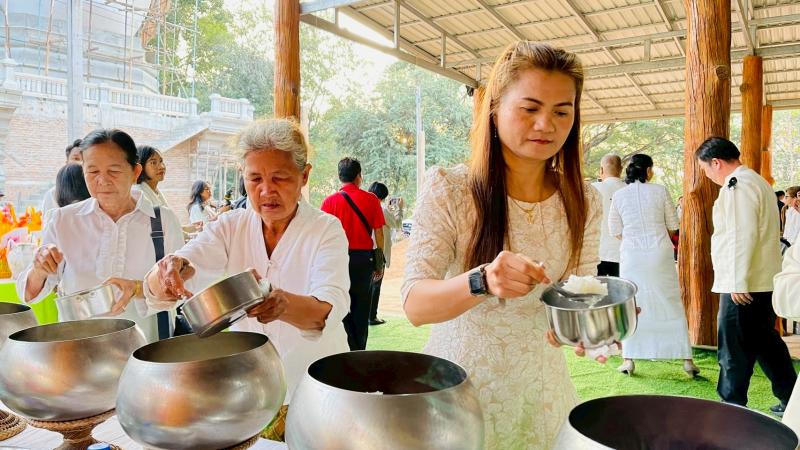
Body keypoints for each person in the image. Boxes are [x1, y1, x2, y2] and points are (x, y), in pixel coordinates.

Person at [402, 41, 602, 449]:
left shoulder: (585, 199)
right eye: (530, 109)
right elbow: (415, 305)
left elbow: (577, 300)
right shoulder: (450, 188)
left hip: (542, 394)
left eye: (562, 112)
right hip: (458, 389)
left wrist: (594, 322)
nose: (546, 125)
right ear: (494, 110)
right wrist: (482, 280)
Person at [144, 118, 349, 441]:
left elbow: (329, 307)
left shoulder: (326, 229)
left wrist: (282, 304)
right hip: (251, 389)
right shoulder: (231, 226)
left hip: (316, 388)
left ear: (304, 175)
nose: (266, 190)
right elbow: (183, 267)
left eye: (279, 178)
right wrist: (171, 268)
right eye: (254, 179)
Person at [17, 129, 184, 342]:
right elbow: (30, 294)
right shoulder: (63, 220)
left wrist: (139, 289)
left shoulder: (163, 221)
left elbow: (182, 289)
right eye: (92, 171)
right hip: (79, 350)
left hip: (146, 350)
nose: (102, 180)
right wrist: (39, 270)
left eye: (113, 171)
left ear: (135, 172)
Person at [696, 136, 796, 415]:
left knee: (733, 349)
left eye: (706, 169)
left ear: (716, 163)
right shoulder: (757, 181)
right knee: (766, 344)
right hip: (760, 281)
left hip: (744, 283)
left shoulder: (737, 186)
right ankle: (792, 399)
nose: (707, 175)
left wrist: (737, 280)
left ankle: (731, 408)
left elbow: (742, 234)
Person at [608, 154, 698, 377]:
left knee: (632, 303)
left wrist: (634, 241)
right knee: (669, 300)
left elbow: (615, 231)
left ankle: (628, 360)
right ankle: (687, 361)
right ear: (648, 171)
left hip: (632, 255)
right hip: (659, 252)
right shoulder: (660, 191)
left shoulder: (619, 195)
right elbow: (673, 225)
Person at [320, 157, 386, 350]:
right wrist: (379, 262)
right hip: (362, 260)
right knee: (361, 304)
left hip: (336, 260)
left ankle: (342, 346)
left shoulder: (328, 202)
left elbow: (322, 235)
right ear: (359, 177)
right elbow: (379, 233)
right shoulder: (371, 199)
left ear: (340, 177)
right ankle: (359, 349)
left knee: (338, 301)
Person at [366, 182, 402, 326]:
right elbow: (397, 224)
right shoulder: (381, 209)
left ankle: (366, 315)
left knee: (366, 285)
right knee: (376, 285)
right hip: (378, 252)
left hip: (364, 251)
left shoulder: (365, 206)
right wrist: (399, 208)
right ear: (383, 196)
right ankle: (372, 316)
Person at [592, 154, 626, 277]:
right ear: (621, 169)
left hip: (597, 251)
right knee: (622, 293)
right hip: (624, 253)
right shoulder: (630, 189)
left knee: (596, 292)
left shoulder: (592, 189)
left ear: (601, 170)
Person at [41, 139, 84, 214]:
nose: (81, 163)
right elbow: (48, 223)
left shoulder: (96, 192)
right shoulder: (53, 194)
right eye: (76, 158)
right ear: (67, 162)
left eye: (85, 160)